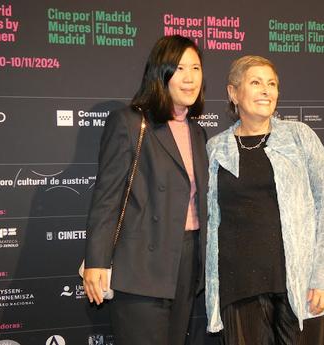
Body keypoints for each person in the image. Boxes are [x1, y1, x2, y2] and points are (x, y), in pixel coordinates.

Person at [205, 56, 324, 345]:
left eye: (272, 84)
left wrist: (323, 278)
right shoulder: (215, 148)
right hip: (238, 286)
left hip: (298, 284)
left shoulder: (299, 137)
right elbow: (209, 219)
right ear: (233, 93)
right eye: (255, 82)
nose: (266, 90)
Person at [83, 35, 209, 345]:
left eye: (196, 67)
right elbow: (107, 198)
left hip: (187, 260)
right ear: (160, 72)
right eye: (180, 68)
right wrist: (97, 261)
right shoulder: (129, 123)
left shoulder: (197, 131)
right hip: (141, 265)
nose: (190, 77)